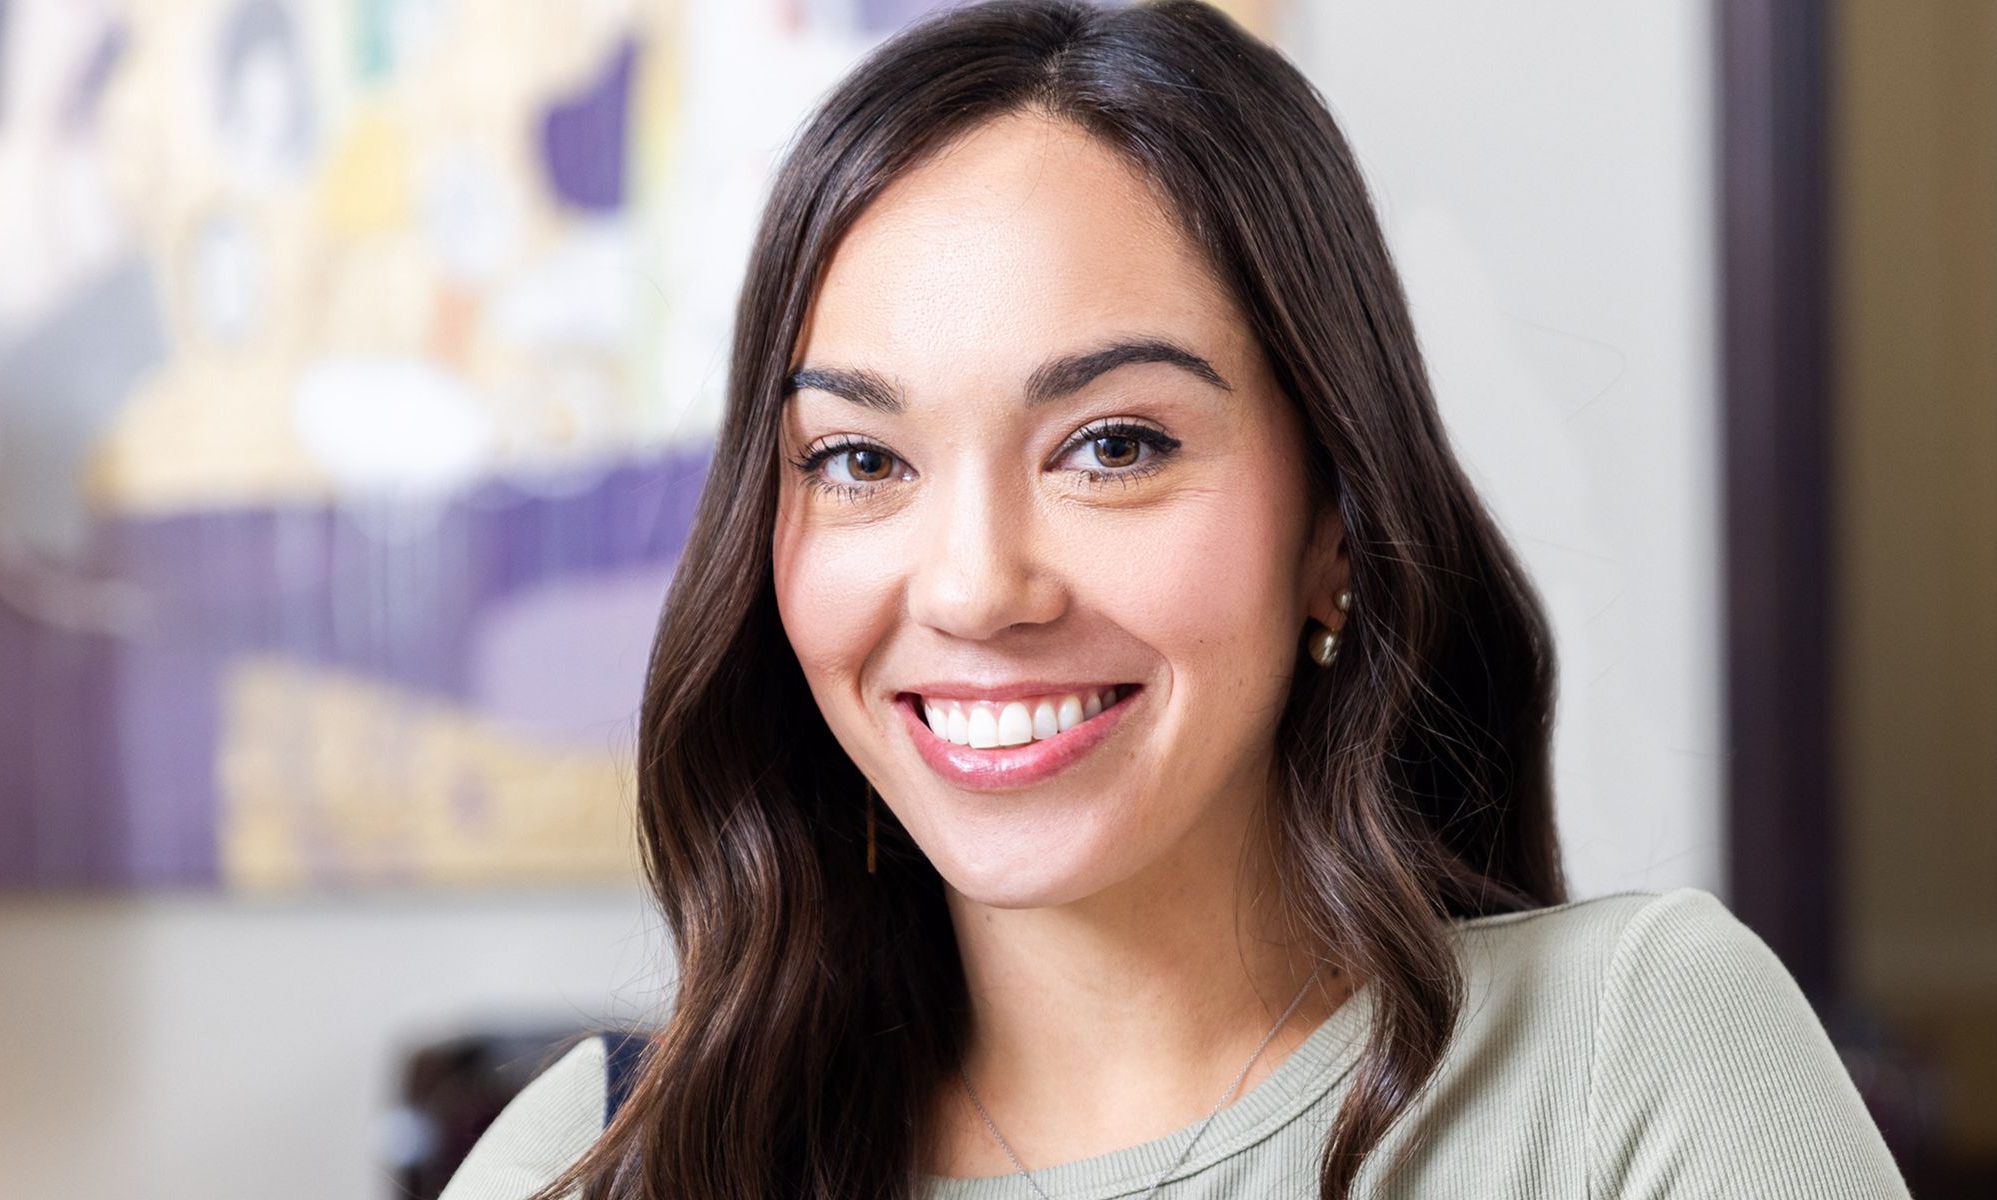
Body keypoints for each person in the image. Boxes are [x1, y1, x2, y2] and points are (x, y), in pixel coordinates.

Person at [441, 2, 1913, 1197]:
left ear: (1336, 522)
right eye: (860, 458)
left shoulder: (1629, 1066)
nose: (972, 586)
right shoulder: (600, 1161)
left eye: (1113, 446)